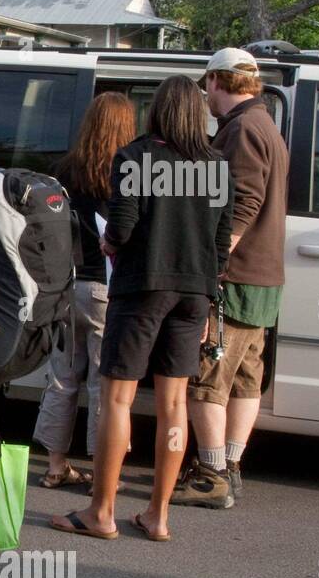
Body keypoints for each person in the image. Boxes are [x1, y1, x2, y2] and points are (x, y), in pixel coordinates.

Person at [51, 76, 232, 542]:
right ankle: (158, 515)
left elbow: (123, 226)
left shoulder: (134, 157)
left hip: (142, 288)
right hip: (194, 293)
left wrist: (110, 244)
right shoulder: (216, 166)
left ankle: (102, 512)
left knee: (117, 398)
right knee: (174, 406)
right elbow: (220, 244)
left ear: (157, 112)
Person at [172, 48, 290, 509]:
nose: (206, 95)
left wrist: (213, 263)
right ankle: (232, 466)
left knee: (209, 376)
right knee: (246, 377)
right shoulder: (267, 125)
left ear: (219, 81)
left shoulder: (241, 129)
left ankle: (211, 475)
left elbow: (242, 202)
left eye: (208, 86)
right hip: (265, 276)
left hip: (236, 275)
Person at [34, 92, 136, 490]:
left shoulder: (63, 169)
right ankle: (101, 471)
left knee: (61, 378)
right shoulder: (127, 172)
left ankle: (56, 465)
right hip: (105, 289)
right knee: (103, 384)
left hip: (64, 287)